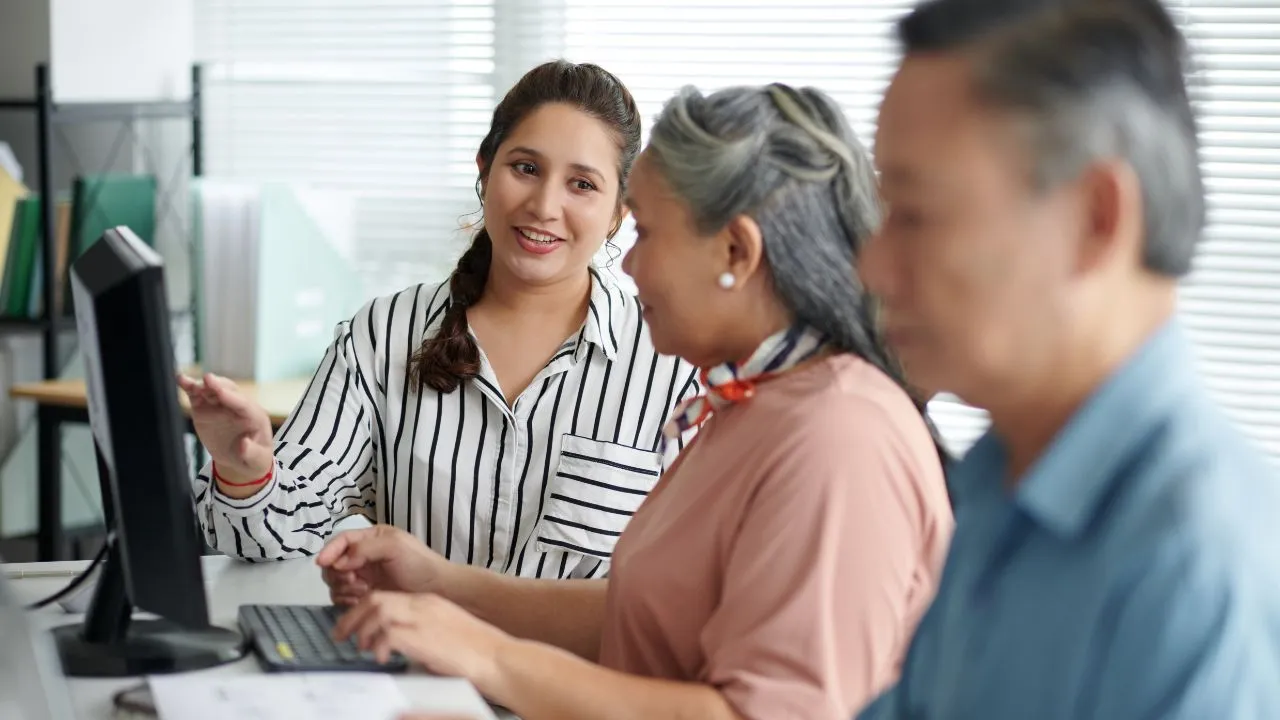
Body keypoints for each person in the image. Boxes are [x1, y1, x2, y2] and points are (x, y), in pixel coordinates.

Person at [322, 82, 954, 720]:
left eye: (647, 232)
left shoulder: (838, 434)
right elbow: (648, 618)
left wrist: (492, 659)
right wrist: (443, 584)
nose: (628, 269)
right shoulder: (752, 404)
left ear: (735, 250)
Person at [856, 0, 1280, 717]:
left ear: (1095, 219)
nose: (872, 267)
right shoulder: (1005, 474)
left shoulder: (1192, 564)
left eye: (916, 215)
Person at [179, 60, 701, 580]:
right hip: (412, 660)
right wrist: (246, 471)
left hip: (576, 664)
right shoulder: (384, 336)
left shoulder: (673, 364)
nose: (544, 205)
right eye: (525, 168)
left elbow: (685, 589)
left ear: (618, 212)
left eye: (582, 184)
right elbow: (272, 534)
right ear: (484, 169)